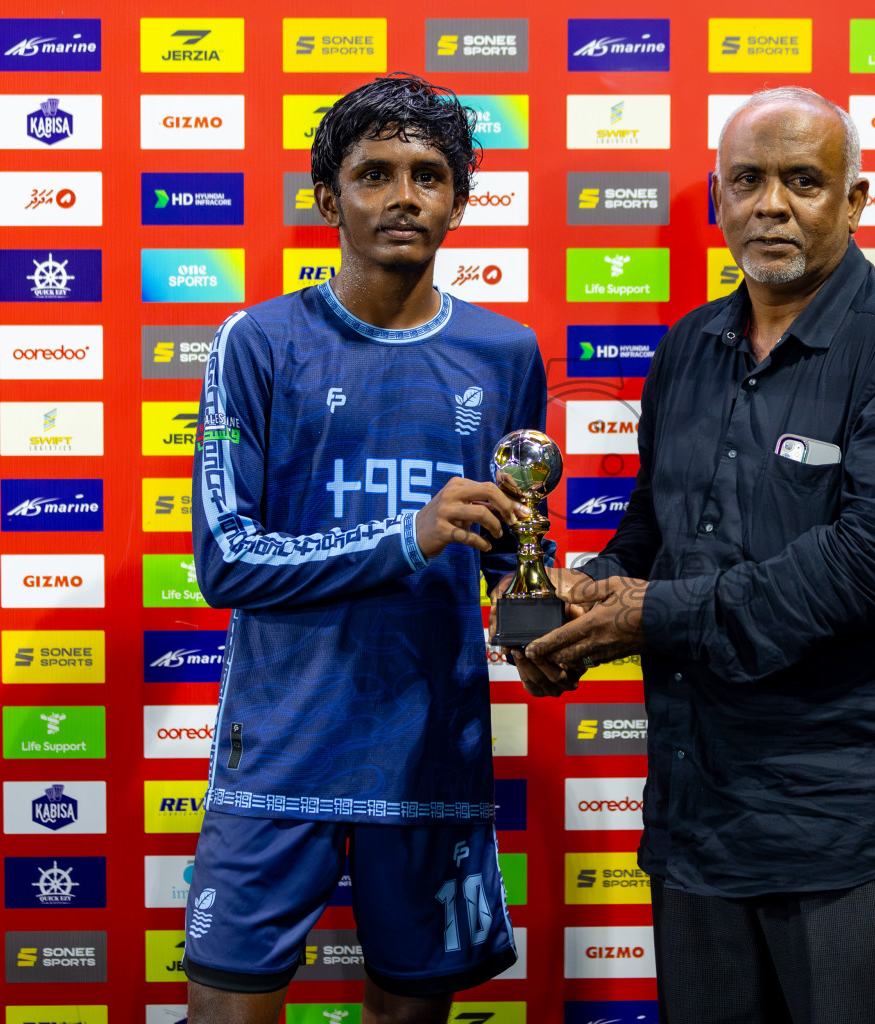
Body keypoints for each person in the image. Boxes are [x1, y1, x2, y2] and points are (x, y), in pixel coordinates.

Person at [520, 88, 875, 1023]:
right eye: (748, 180)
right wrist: (581, 605)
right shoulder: (690, 349)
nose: (771, 205)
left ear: (854, 203)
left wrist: (648, 614)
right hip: (702, 812)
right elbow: (652, 538)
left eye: (804, 181)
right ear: (717, 199)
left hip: (853, 819)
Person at [185, 74, 544, 1024]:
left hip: (430, 761)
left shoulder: (506, 354)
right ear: (327, 197)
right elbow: (228, 561)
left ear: (460, 202)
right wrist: (409, 534)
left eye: (429, 175)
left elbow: (515, 558)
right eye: (374, 172)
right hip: (281, 757)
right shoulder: (256, 341)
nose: (403, 195)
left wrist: (549, 625)